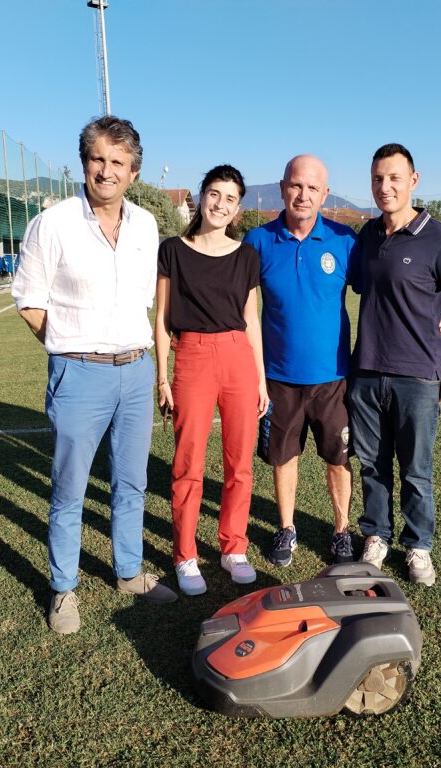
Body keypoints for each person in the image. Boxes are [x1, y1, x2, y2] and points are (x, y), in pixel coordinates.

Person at [12, 115, 177, 635]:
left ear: (133, 173)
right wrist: (70, 348)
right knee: (69, 489)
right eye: (98, 159)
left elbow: (151, 300)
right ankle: (64, 588)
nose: (106, 171)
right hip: (78, 374)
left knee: (131, 482)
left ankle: (128, 571)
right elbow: (29, 301)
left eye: (118, 163)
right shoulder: (54, 223)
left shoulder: (147, 225)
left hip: (135, 371)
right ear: (84, 163)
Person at [348, 143, 441, 587]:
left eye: (395, 178)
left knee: (416, 470)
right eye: (378, 179)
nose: (386, 187)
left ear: (413, 181)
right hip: (365, 373)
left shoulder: (437, 236)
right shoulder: (366, 237)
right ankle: (377, 537)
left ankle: (418, 546)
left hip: (418, 376)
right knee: (372, 465)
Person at [155, 165, 269, 596]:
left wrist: (259, 378)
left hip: (238, 357)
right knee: (188, 463)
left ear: (238, 209)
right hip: (193, 357)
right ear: (201, 196)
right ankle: (185, 555)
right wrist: (162, 376)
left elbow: (251, 320)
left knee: (240, 462)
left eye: (230, 199)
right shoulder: (173, 250)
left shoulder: (246, 257)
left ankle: (233, 548)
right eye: (214, 194)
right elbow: (162, 318)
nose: (220, 204)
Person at [243, 155, 358, 567]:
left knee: (338, 459)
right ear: (282, 187)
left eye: (312, 188)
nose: (303, 195)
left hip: (333, 378)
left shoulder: (345, 241)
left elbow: (386, 289)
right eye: (296, 185)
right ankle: (287, 527)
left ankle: (342, 531)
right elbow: (235, 301)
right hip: (278, 379)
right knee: (282, 457)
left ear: (325, 193)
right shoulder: (258, 241)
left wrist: (437, 312)